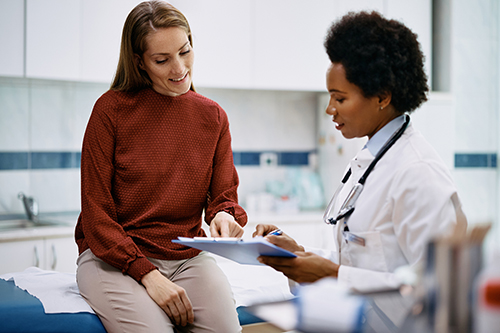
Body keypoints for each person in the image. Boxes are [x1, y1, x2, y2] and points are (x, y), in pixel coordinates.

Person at [253, 11, 467, 329]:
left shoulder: (418, 174)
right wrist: (298, 254)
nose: (330, 109)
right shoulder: (373, 161)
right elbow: (367, 261)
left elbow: (443, 290)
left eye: (340, 98)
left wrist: (333, 276)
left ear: (382, 97)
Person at [74, 1, 247, 332]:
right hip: (112, 259)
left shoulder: (213, 117)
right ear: (139, 62)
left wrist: (224, 216)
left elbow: (224, 196)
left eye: (185, 51)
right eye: (162, 60)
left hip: (187, 257)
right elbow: (97, 219)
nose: (179, 67)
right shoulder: (110, 112)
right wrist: (147, 274)